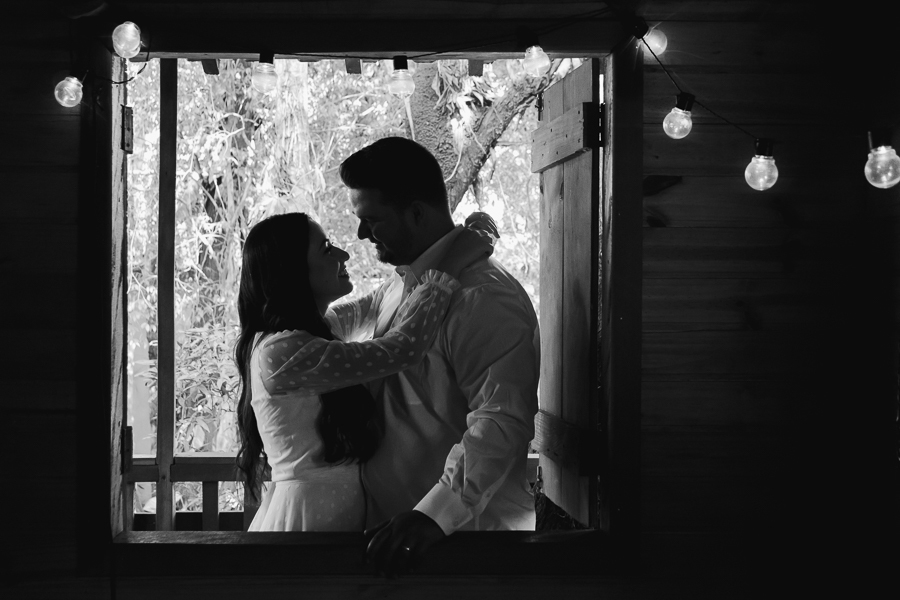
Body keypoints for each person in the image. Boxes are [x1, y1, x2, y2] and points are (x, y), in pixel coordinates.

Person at [330, 137, 540, 574]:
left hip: (463, 548)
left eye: (372, 220)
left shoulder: (484, 299)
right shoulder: (397, 289)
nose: (360, 234)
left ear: (417, 214)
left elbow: (501, 420)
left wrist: (433, 514)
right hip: (395, 541)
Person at [233, 212, 491, 532]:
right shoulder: (281, 352)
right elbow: (403, 349)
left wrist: (433, 256)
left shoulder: (309, 334)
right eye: (327, 249)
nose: (344, 254)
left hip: (331, 513)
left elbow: (370, 306)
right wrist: (447, 267)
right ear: (291, 269)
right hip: (308, 519)